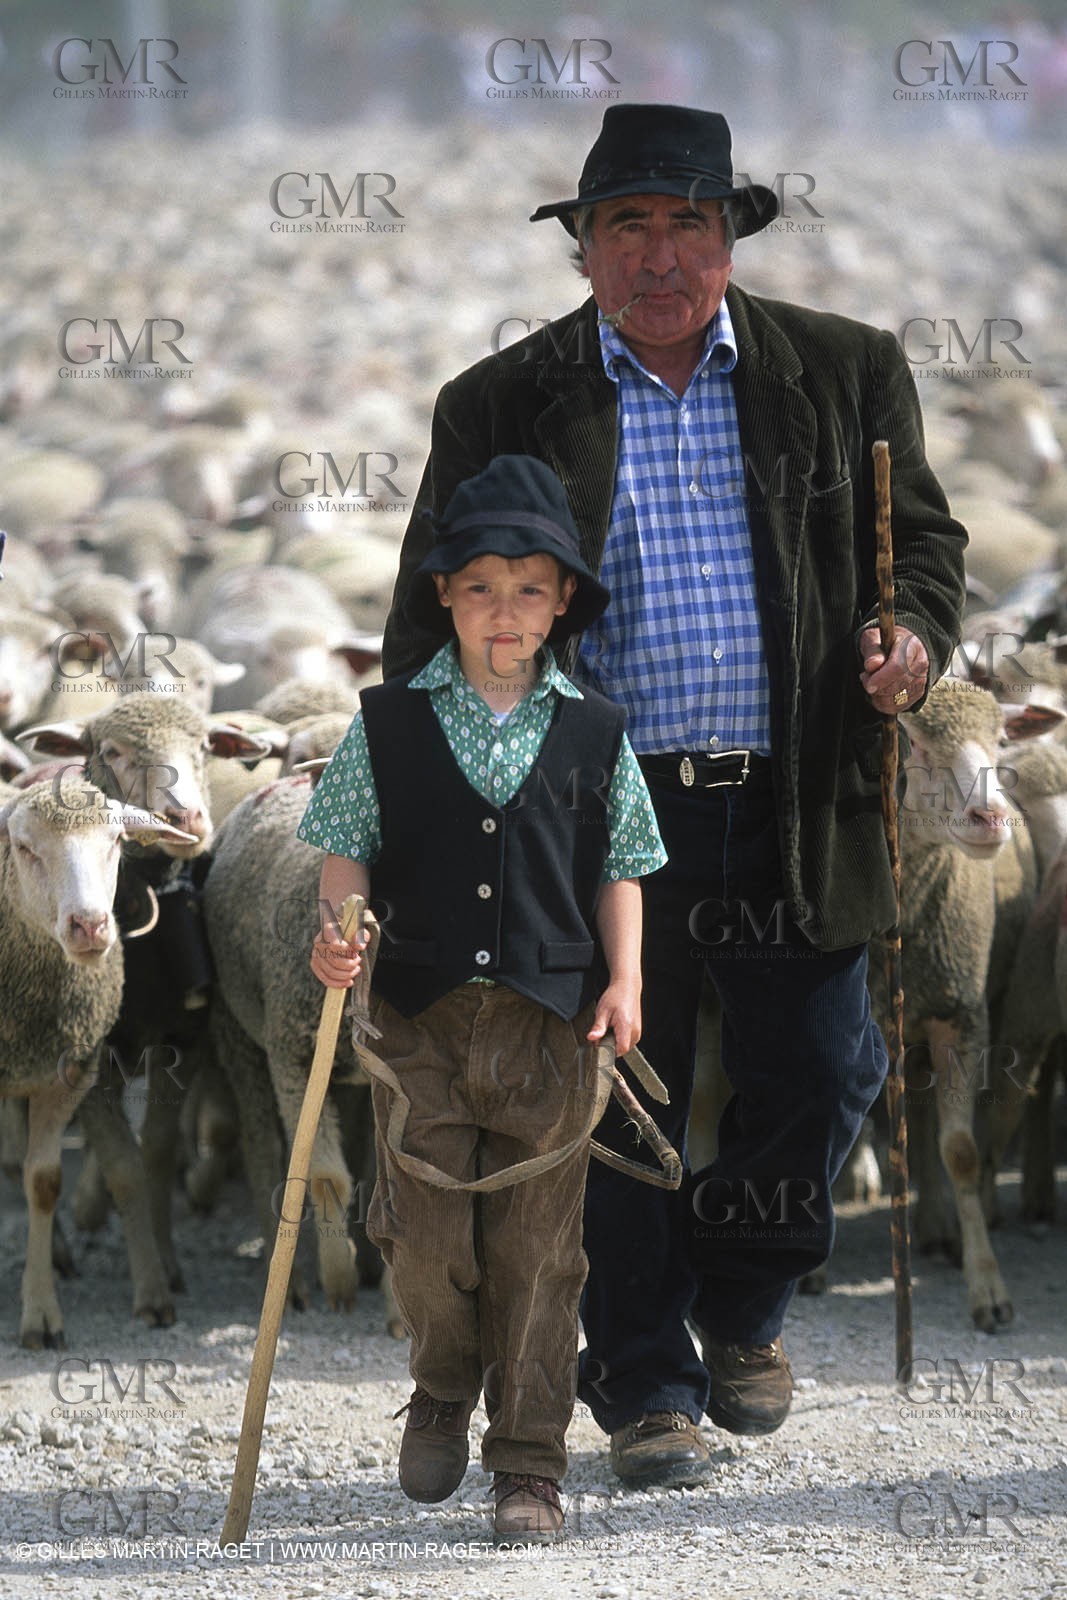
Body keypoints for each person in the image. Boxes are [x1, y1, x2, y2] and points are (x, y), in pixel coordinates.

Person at [381, 104, 968, 1488]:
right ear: (581, 247)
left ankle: (744, 1301)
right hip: (594, 818)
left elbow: (920, 549)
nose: (656, 254)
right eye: (624, 226)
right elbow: (428, 607)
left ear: (728, 237)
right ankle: (643, 1386)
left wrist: (909, 641)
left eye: (684, 223)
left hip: (792, 795)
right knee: (617, 1099)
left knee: (828, 1069)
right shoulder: (500, 403)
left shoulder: (840, 372)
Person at [299, 453, 667, 1542]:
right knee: (423, 1235)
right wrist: (337, 933)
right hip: (415, 1021)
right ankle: (442, 1386)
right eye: (478, 588)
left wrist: (627, 978)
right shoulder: (385, 723)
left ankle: (529, 1462)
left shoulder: (596, 731)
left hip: (550, 1026)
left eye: (526, 588)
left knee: (539, 1251)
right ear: (442, 597)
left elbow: (622, 865)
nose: (502, 612)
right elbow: (343, 852)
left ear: (560, 602)